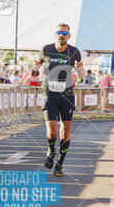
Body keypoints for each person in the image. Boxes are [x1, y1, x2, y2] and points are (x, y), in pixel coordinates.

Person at [34, 23, 85, 176]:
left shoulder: (75, 52)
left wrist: (80, 68)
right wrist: (34, 69)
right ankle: (50, 150)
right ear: (55, 35)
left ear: (69, 36)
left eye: (65, 32)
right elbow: (36, 67)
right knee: (52, 131)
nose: (62, 35)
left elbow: (82, 76)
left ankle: (60, 163)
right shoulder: (46, 49)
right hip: (50, 94)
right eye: (59, 32)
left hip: (67, 95)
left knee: (65, 132)